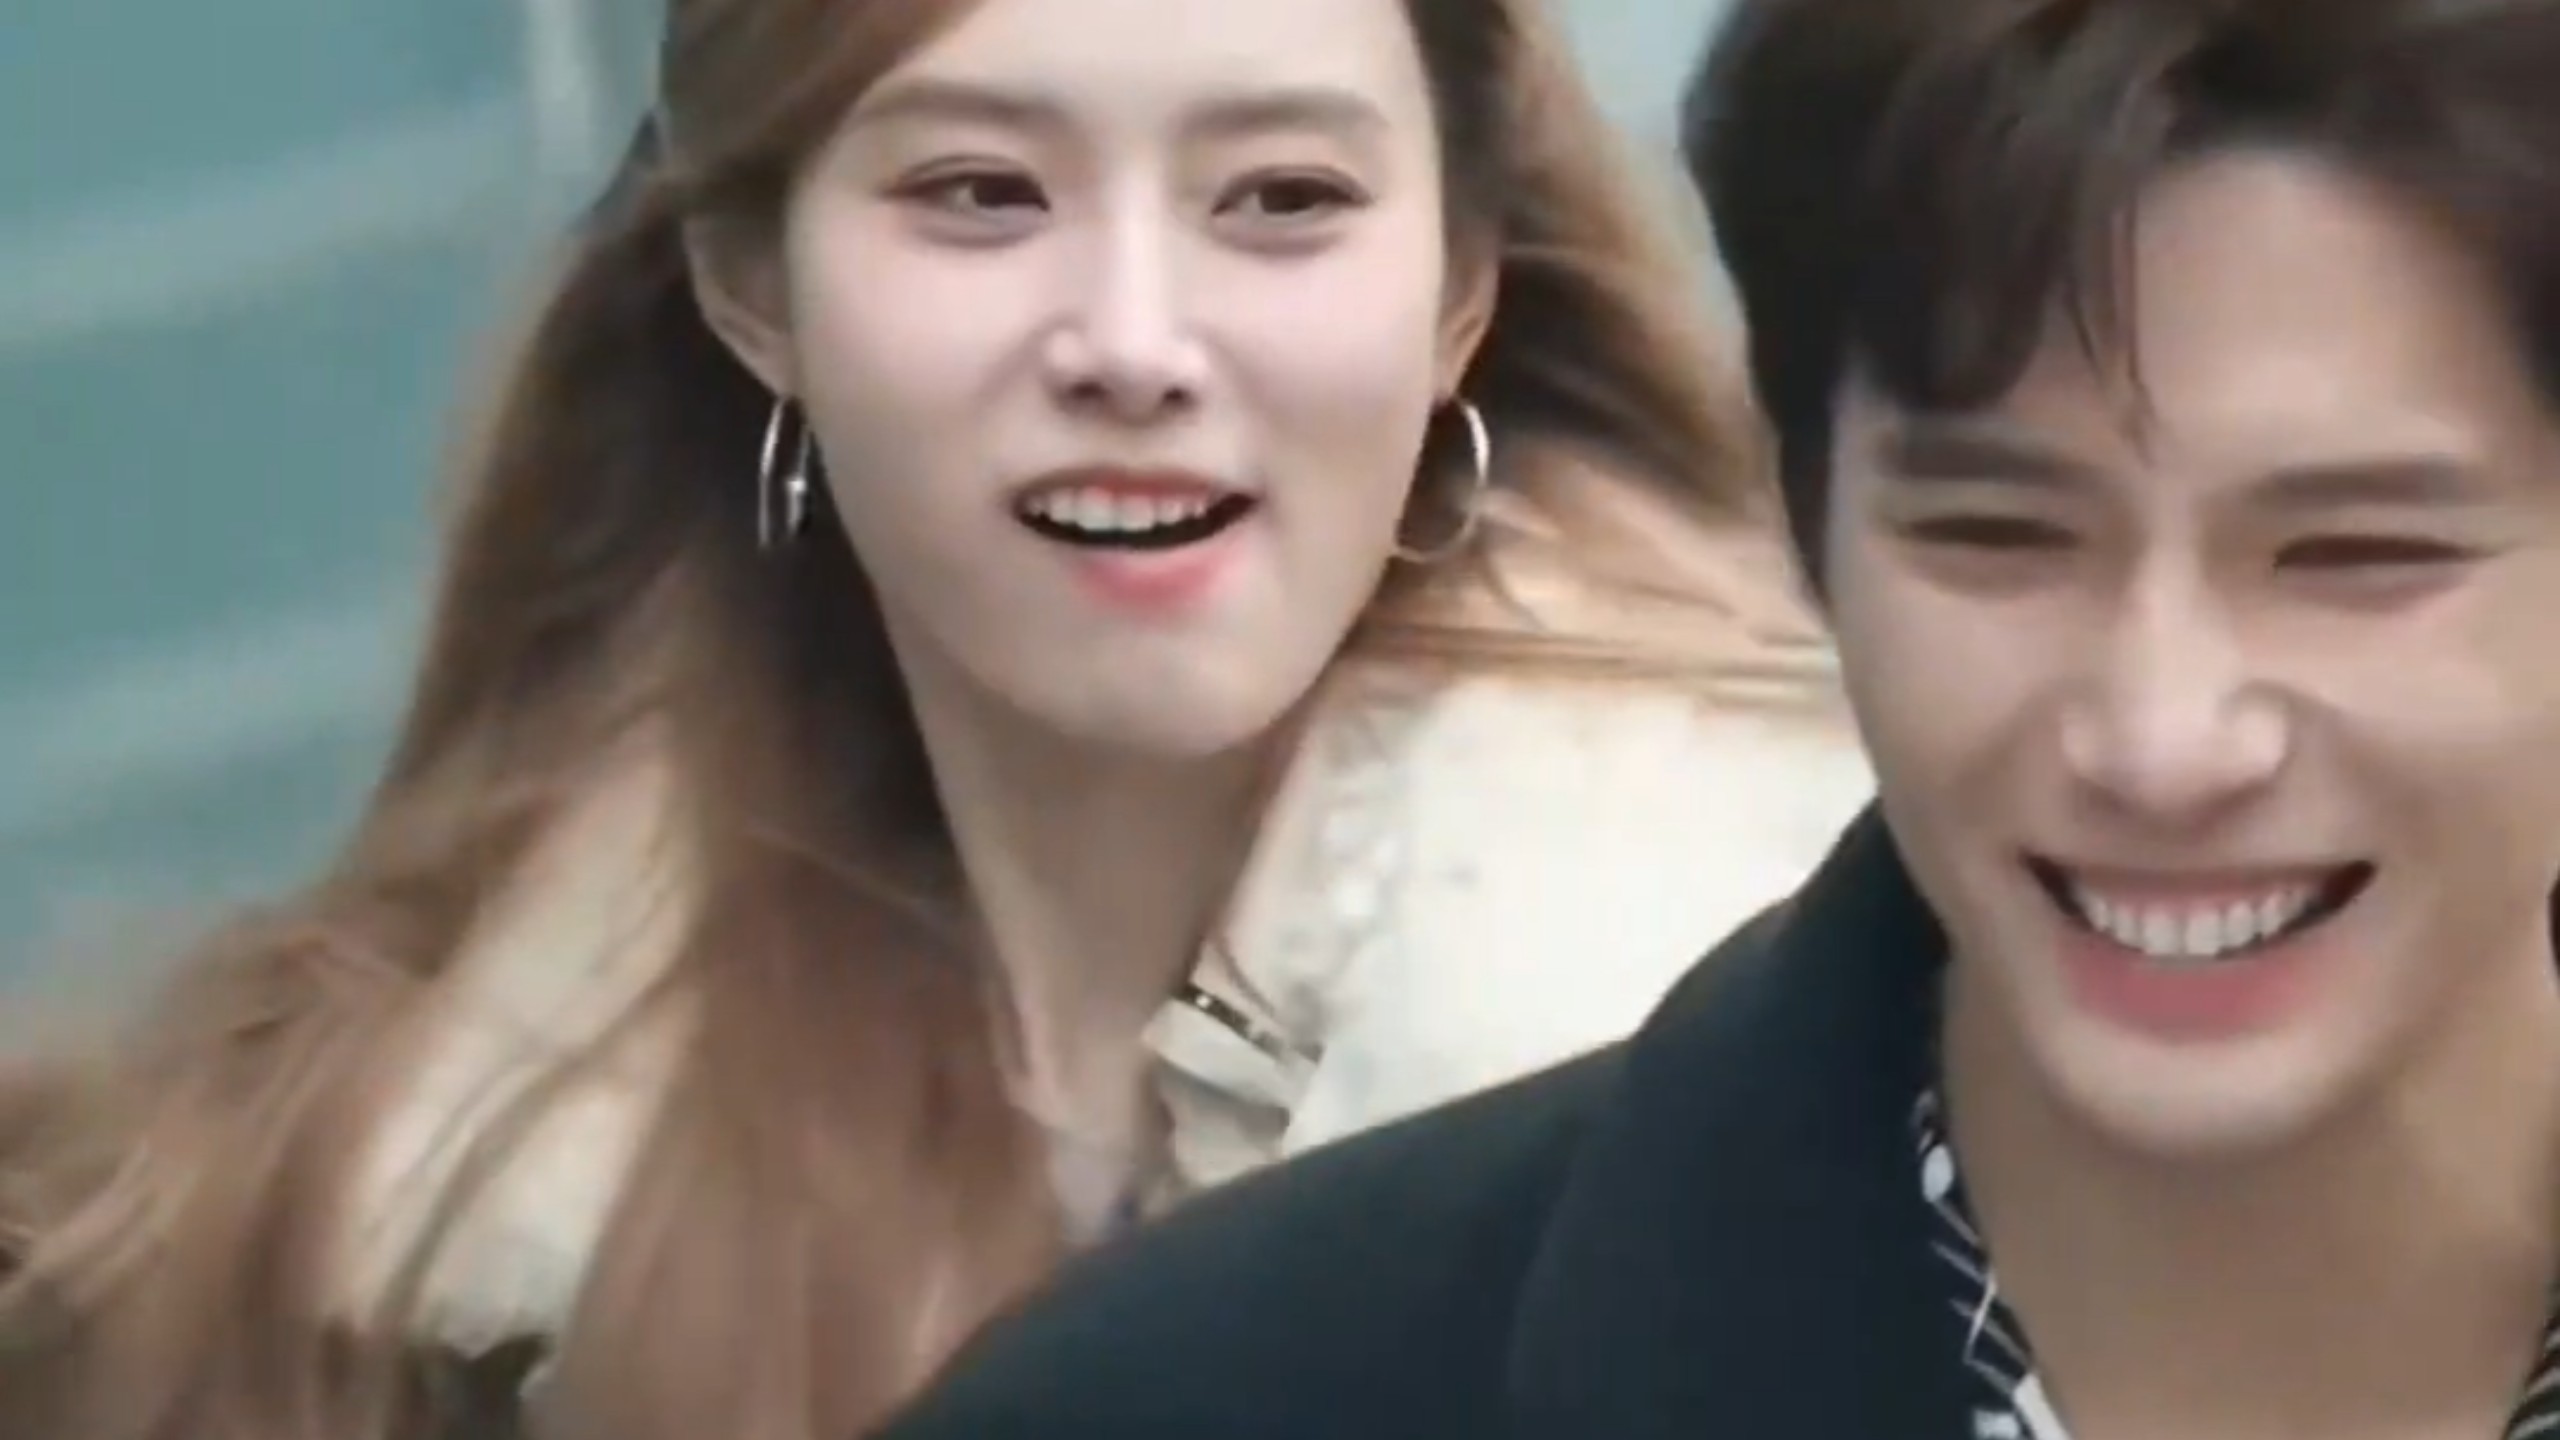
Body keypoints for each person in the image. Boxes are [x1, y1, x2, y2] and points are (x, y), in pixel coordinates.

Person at [0, 0, 1864, 1436]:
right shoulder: (362, 1216)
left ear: (1460, 293)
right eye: (981, 193)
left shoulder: (1807, 1083)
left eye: (1282, 200)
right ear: (751, 286)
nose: (1134, 344)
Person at [865, 1, 2560, 1437]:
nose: (2161, 739)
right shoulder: (1188, 1398)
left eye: (2360, 556)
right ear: (1807, 526)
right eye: (1996, 537)